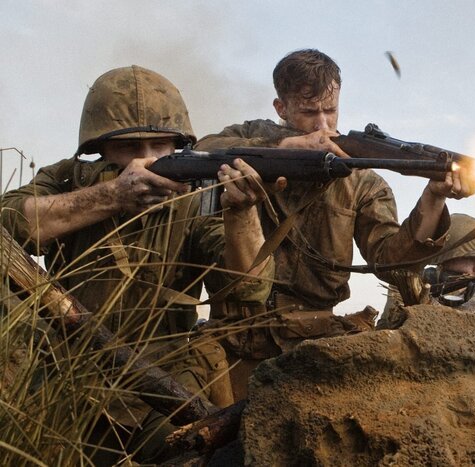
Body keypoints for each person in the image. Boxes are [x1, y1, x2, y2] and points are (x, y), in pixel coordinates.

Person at [1, 65, 273, 464]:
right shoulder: (66, 179)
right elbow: (8, 224)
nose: (147, 161)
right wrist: (111, 196)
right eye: (129, 148)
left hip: (164, 375)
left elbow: (251, 290)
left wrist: (242, 213)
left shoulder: (198, 198)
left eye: (161, 147)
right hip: (66, 375)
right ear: (100, 150)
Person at [195, 49, 475, 400]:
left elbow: (390, 262)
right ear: (281, 109)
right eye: (309, 113)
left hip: (314, 349)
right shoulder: (253, 138)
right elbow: (202, 151)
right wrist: (285, 147)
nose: (323, 126)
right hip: (233, 346)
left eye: (331, 111)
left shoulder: (362, 181)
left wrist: (434, 197)